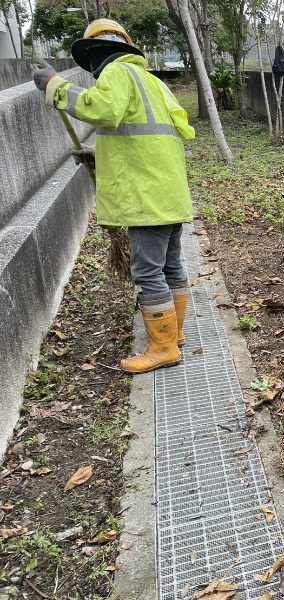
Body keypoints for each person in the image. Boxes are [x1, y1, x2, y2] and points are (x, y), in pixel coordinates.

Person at [32, 18, 196, 374]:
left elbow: (103, 110)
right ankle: (176, 334)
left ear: (95, 53)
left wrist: (54, 86)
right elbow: (140, 137)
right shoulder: (153, 82)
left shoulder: (118, 73)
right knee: (171, 266)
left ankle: (163, 347)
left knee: (148, 272)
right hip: (169, 195)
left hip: (145, 199)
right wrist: (96, 155)